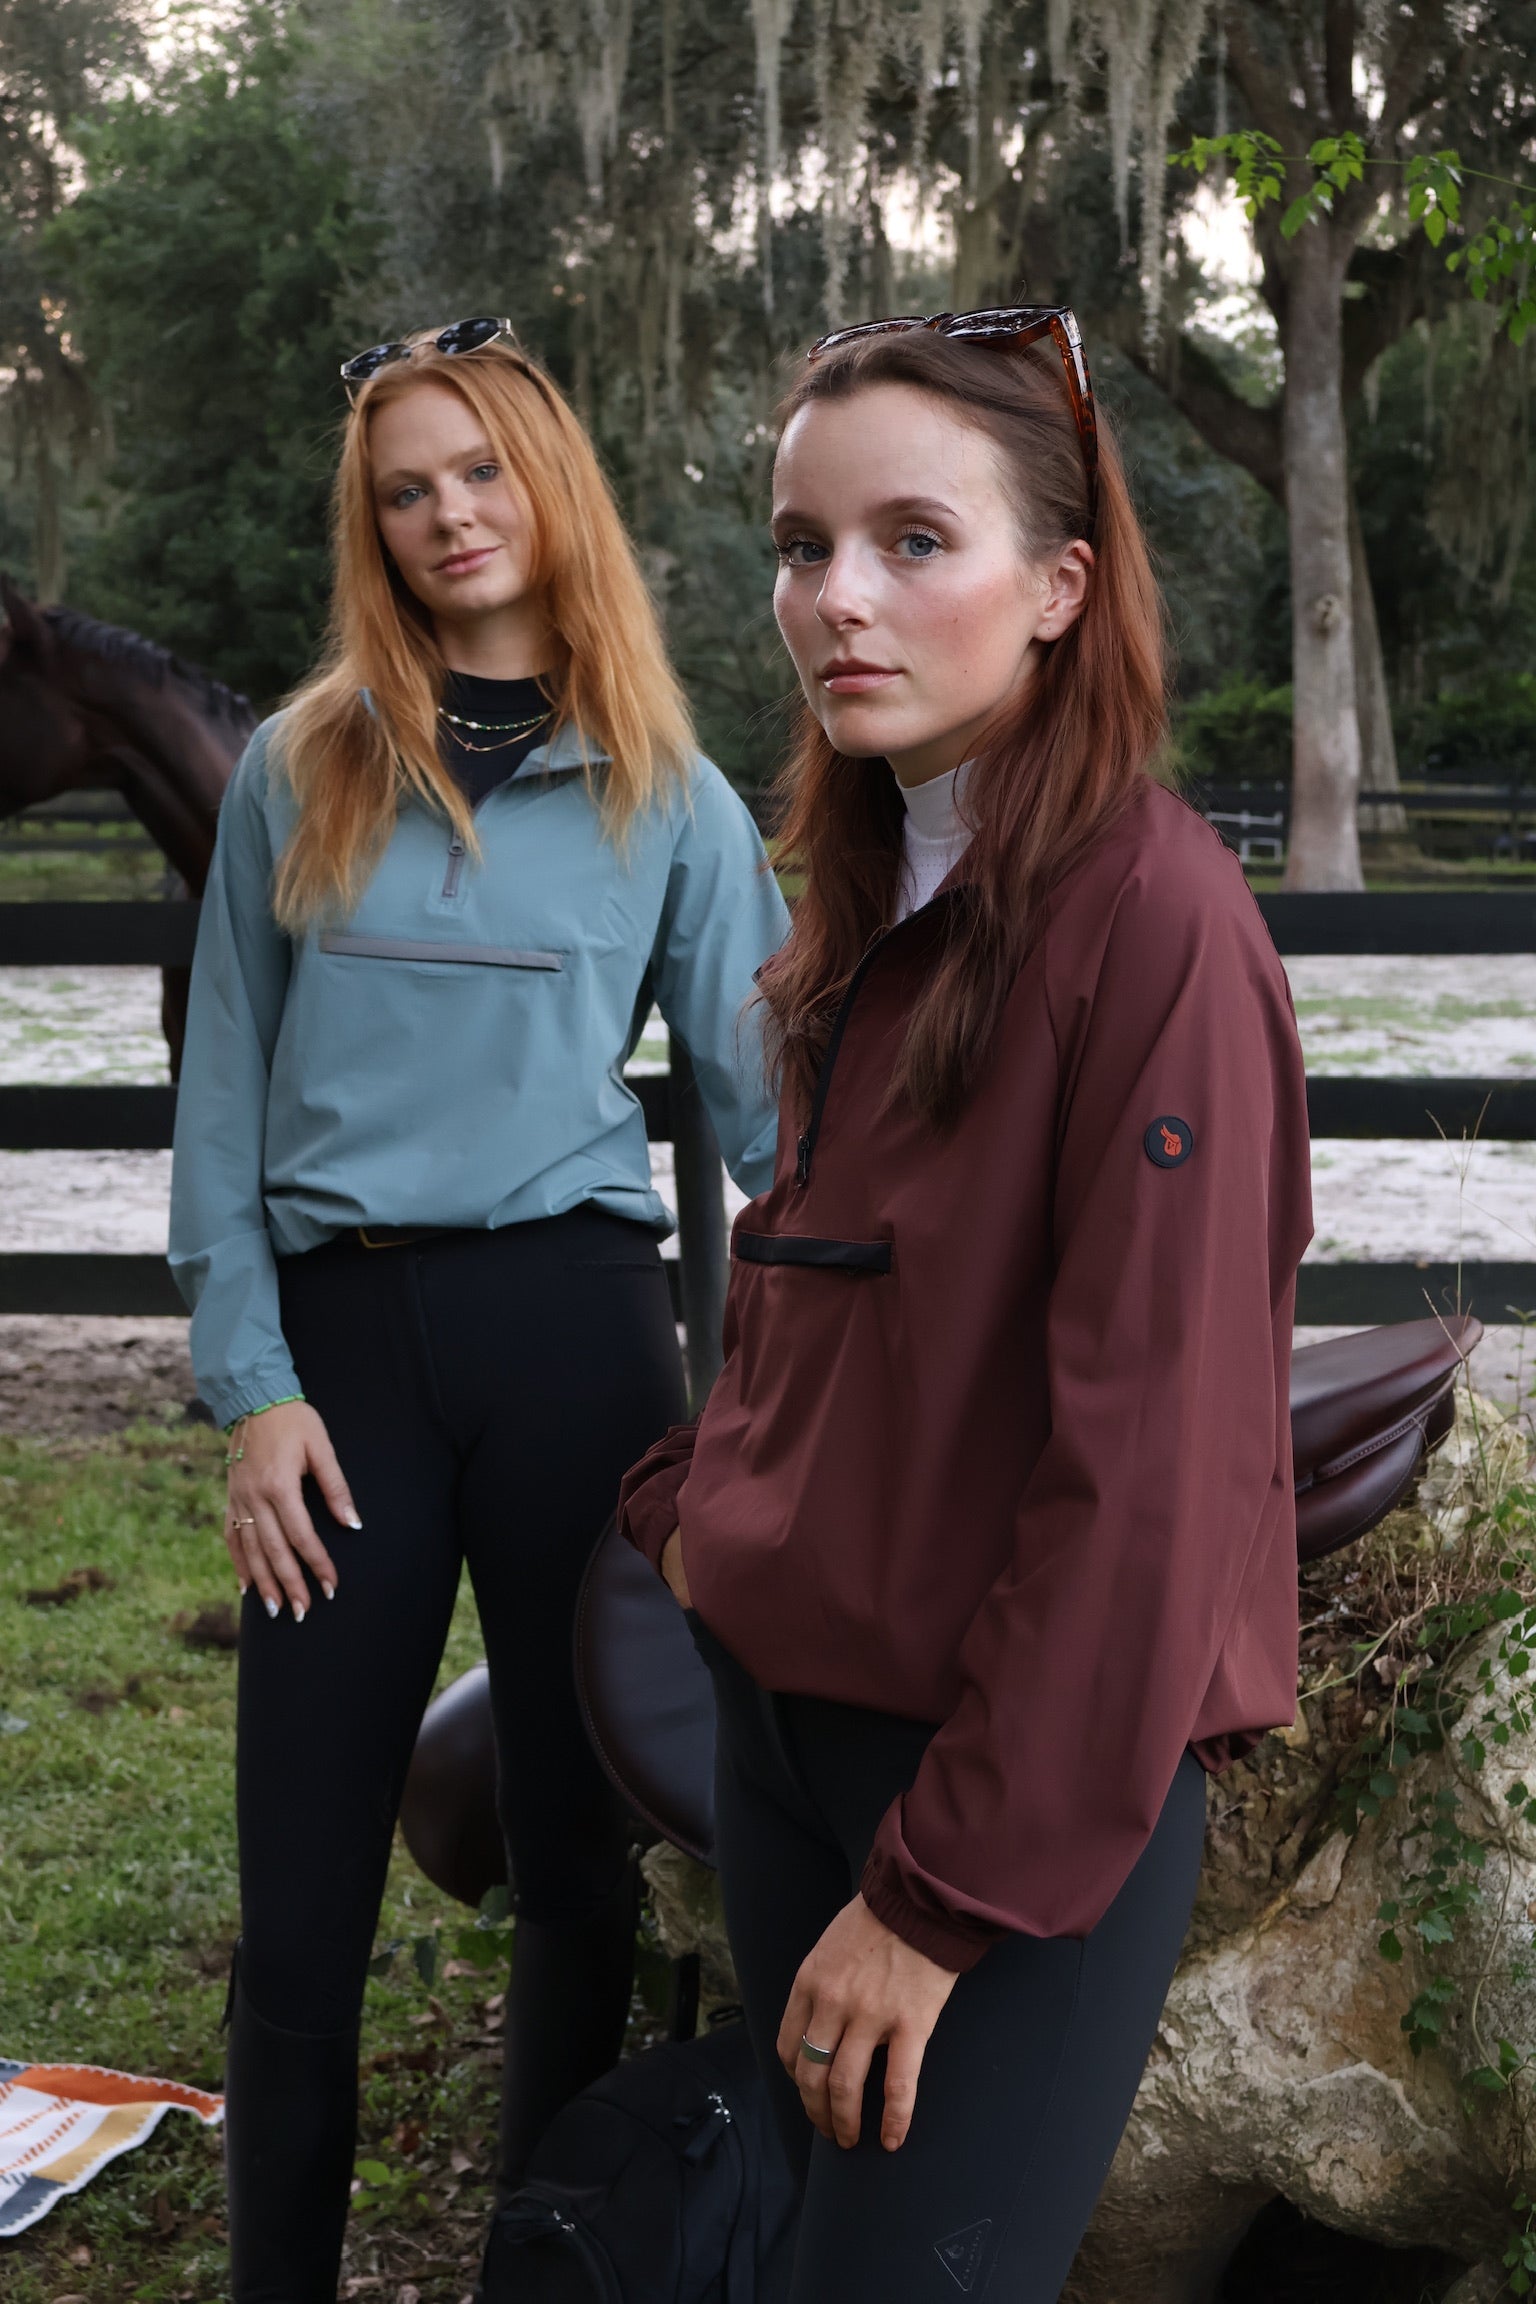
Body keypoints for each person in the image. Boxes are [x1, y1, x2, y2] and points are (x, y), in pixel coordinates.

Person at [617, 308, 1312, 2301]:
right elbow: (818, 1285)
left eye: (913, 541)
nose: (835, 598)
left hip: (992, 1799)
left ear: (1060, 586)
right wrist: (698, 1510)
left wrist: (939, 1899)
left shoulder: (1152, 928)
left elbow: (1152, 1483)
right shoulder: (870, 899)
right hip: (786, 1734)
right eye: (800, 545)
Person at [168, 316, 789, 2303]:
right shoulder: (300, 767)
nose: (448, 515)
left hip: (574, 1342)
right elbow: (219, 1101)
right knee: (300, 1901)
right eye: (404, 490)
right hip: (338, 1362)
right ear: (373, 526)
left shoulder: (671, 795)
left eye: (479, 472)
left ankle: (545, 2263)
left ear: (549, 485)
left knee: (573, 1857)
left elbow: (786, 1125)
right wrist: (252, 1388)